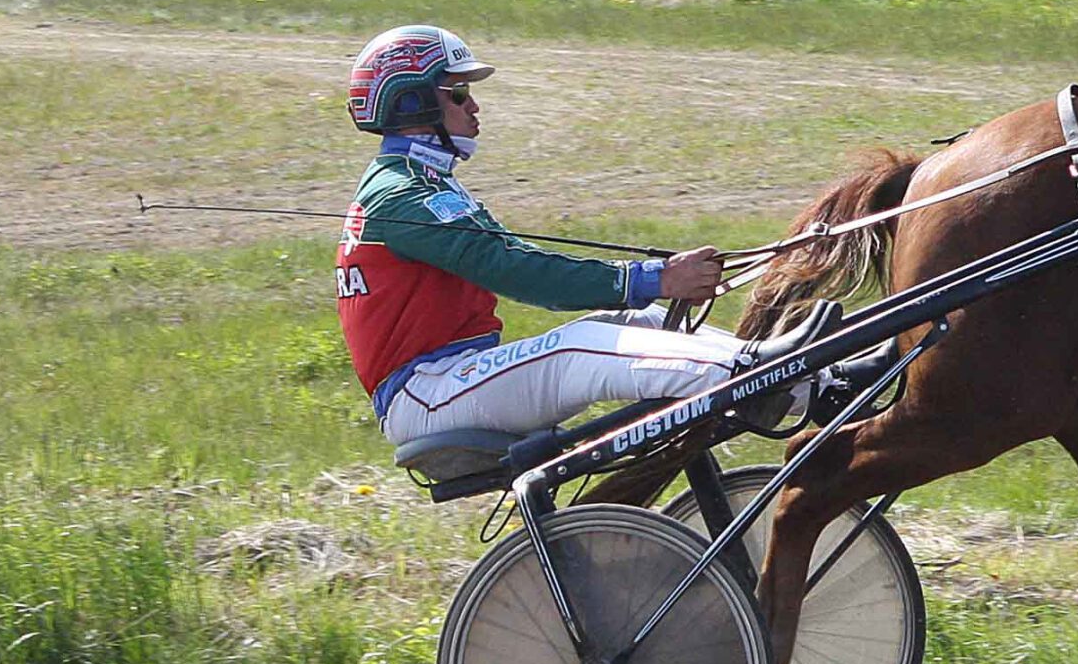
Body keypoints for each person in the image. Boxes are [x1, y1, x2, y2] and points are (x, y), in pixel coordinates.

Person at [336, 25, 829, 452]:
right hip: (425, 391)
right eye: (459, 93)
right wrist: (654, 278)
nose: (475, 105)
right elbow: (517, 271)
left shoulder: (421, 181)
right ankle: (750, 373)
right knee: (577, 347)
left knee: (643, 321)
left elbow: (512, 259)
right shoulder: (401, 193)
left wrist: (649, 287)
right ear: (414, 102)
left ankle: (814, 382)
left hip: (450, 378)